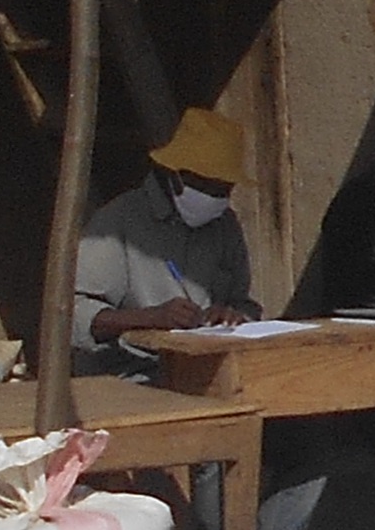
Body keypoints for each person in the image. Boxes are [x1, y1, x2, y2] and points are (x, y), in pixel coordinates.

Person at [70, 107, 260, 375]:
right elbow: (73, 315)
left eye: (224, 189)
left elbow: (244, 303)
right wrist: (150, 318)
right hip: (132, 376)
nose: (215, 196)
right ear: (176, 176)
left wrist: (234, 315)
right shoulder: (119, 220)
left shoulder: (225, 223)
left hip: (208, 368)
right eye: (206, 185)